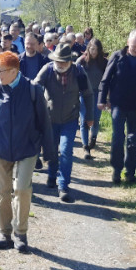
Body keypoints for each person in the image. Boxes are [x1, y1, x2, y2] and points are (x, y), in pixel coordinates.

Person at [0, 51, 55, 253]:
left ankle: (21, 234)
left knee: (21, 189)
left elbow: (44, 122)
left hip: (27, 149)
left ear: (13, 71)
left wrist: (49, 152)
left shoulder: (32, 89)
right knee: (2, 191)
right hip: (1, 149)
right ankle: (4, 233)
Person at [33, 43, 94, 203]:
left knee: (66, 150)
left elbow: (88, 94)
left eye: (63, 62)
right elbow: (35, 87)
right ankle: (52, 175)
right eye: (57, 61)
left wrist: (89, 115)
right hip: (50, 119)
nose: (60, 64)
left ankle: (63, 186)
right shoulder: (47, 70)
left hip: (70, 119)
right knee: (52, 150)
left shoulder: (79, 72)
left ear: (69, 61)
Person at [98, 30, 136, 184]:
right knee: (118, 138)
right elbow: (105, 80)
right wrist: (101, 99)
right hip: (118, 105)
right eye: (133, 46)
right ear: (128, 43)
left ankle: (130, 172)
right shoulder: (117, 57)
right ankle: (116, 170)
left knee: (133, 140)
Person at [76, 39, 109, 159]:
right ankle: (85, 147)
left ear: (99, 50)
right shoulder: (82, 61)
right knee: (84, 119)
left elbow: (108, 80)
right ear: (88, 48)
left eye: (96, 49)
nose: (93, 51)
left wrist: (107, 96)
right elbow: (74, 76)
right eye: (91, 48)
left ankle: (93, 137)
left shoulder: (104, 63)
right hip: (83, 94)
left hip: (98, 93)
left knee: (95, 119)